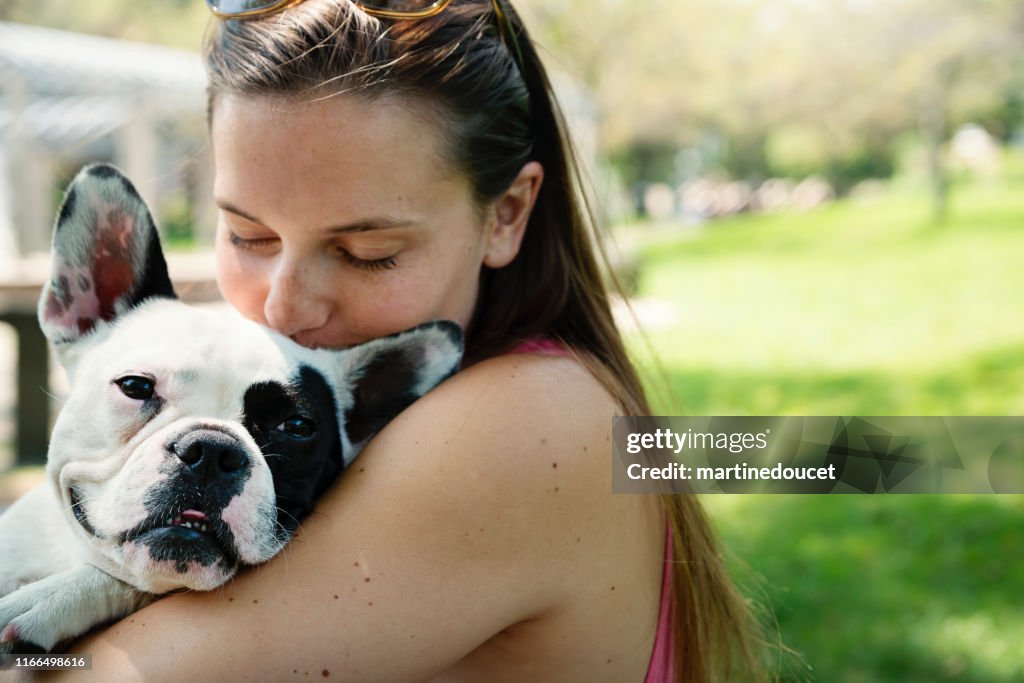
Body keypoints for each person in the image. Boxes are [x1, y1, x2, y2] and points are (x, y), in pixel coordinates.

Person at [46, 1, 763, 680]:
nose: (284, 305)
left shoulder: (522, 422)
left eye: (368, 251)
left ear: (508, 214)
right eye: (248, 234)